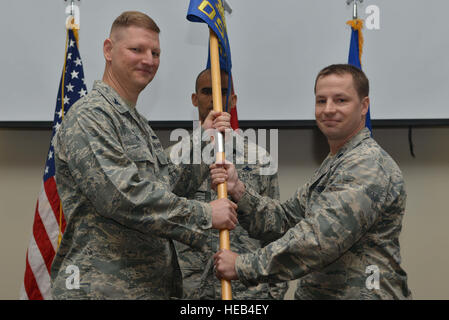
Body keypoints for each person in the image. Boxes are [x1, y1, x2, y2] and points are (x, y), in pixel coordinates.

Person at [51, 11, 238, 299]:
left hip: (143, 288)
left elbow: (165, 184)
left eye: (155, 52)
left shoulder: (134, 121)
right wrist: (204, 214)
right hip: (101, 288)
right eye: (136, 49)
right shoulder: (91, 116)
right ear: (108, 50)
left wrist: (206, 141)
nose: (148, 60)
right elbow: (123, 196)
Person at [211, 64, 412, 299]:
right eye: (321, 100)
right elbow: (284, 221)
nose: (328, 109)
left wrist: (243, 265)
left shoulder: (366, 165)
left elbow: (318, 241)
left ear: (364, 106)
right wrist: (239, 191)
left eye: (340, 100)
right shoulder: (337, 162)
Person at [171, 69, 288, 300]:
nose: (215, 99)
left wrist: (274, 295)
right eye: (207, 91)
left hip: (247, 293)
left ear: (233, 100)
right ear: (194, 99)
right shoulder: (174, 158)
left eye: (223, 92)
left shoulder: (259, 159)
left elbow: (275, 232)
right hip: (191, 293)